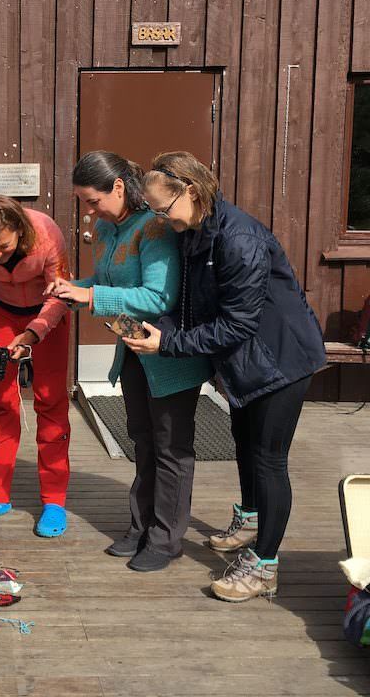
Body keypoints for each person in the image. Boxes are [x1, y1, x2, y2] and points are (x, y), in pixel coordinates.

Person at [125, 151, 326, 601]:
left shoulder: (239, 239)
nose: (161, 218)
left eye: (164, 208)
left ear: (190, 191)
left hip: (281, 361)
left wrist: (169, 344)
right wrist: (164, 328)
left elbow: (237, 323)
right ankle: (251, 519)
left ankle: (265, 564)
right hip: (242, 362)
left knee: (268, 458)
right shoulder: (194, 231)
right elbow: (196, 305)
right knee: (244, 445)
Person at [48, 151, 212, 571]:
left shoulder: (155, 227)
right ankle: (141, 527)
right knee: (142, 440)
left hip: (170, 355)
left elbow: (159, 297)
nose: (89, 210)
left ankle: (165, 539)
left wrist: (91, 297)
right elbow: (104, 285)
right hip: (134, 352)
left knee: (170, 449)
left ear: (118, 187)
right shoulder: (106, 227)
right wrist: (72, 288)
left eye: (91, 200)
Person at [0, 194, 72, 537]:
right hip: (1, 313)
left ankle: (54, 500)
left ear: (19, 230)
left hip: (47, 316)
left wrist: (34, 334)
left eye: (3, 247)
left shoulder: (47, 233)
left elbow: (59, 295)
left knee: (51, 404)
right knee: (3, 404)